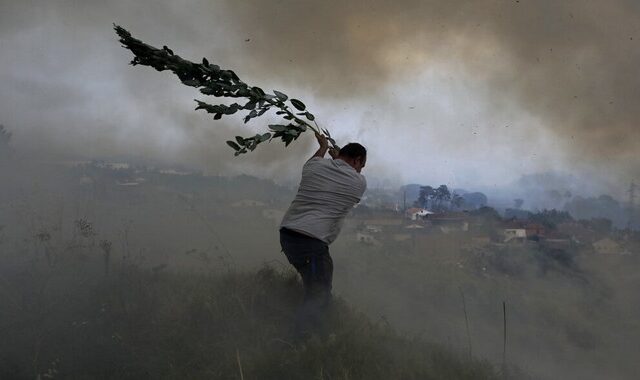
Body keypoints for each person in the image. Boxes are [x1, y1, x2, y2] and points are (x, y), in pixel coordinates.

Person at [279, 132, 367, 338]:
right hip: (311, 243)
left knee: (314, 287)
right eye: (361, 166)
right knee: (319, 295)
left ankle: (317, 335)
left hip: (287, 235)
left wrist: (323, 146)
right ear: (357, 160)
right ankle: (296, 343)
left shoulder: (312, 167)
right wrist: (338, 158)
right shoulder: (359, 183)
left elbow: (318, 161)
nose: (361, 170)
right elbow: (344, 175)